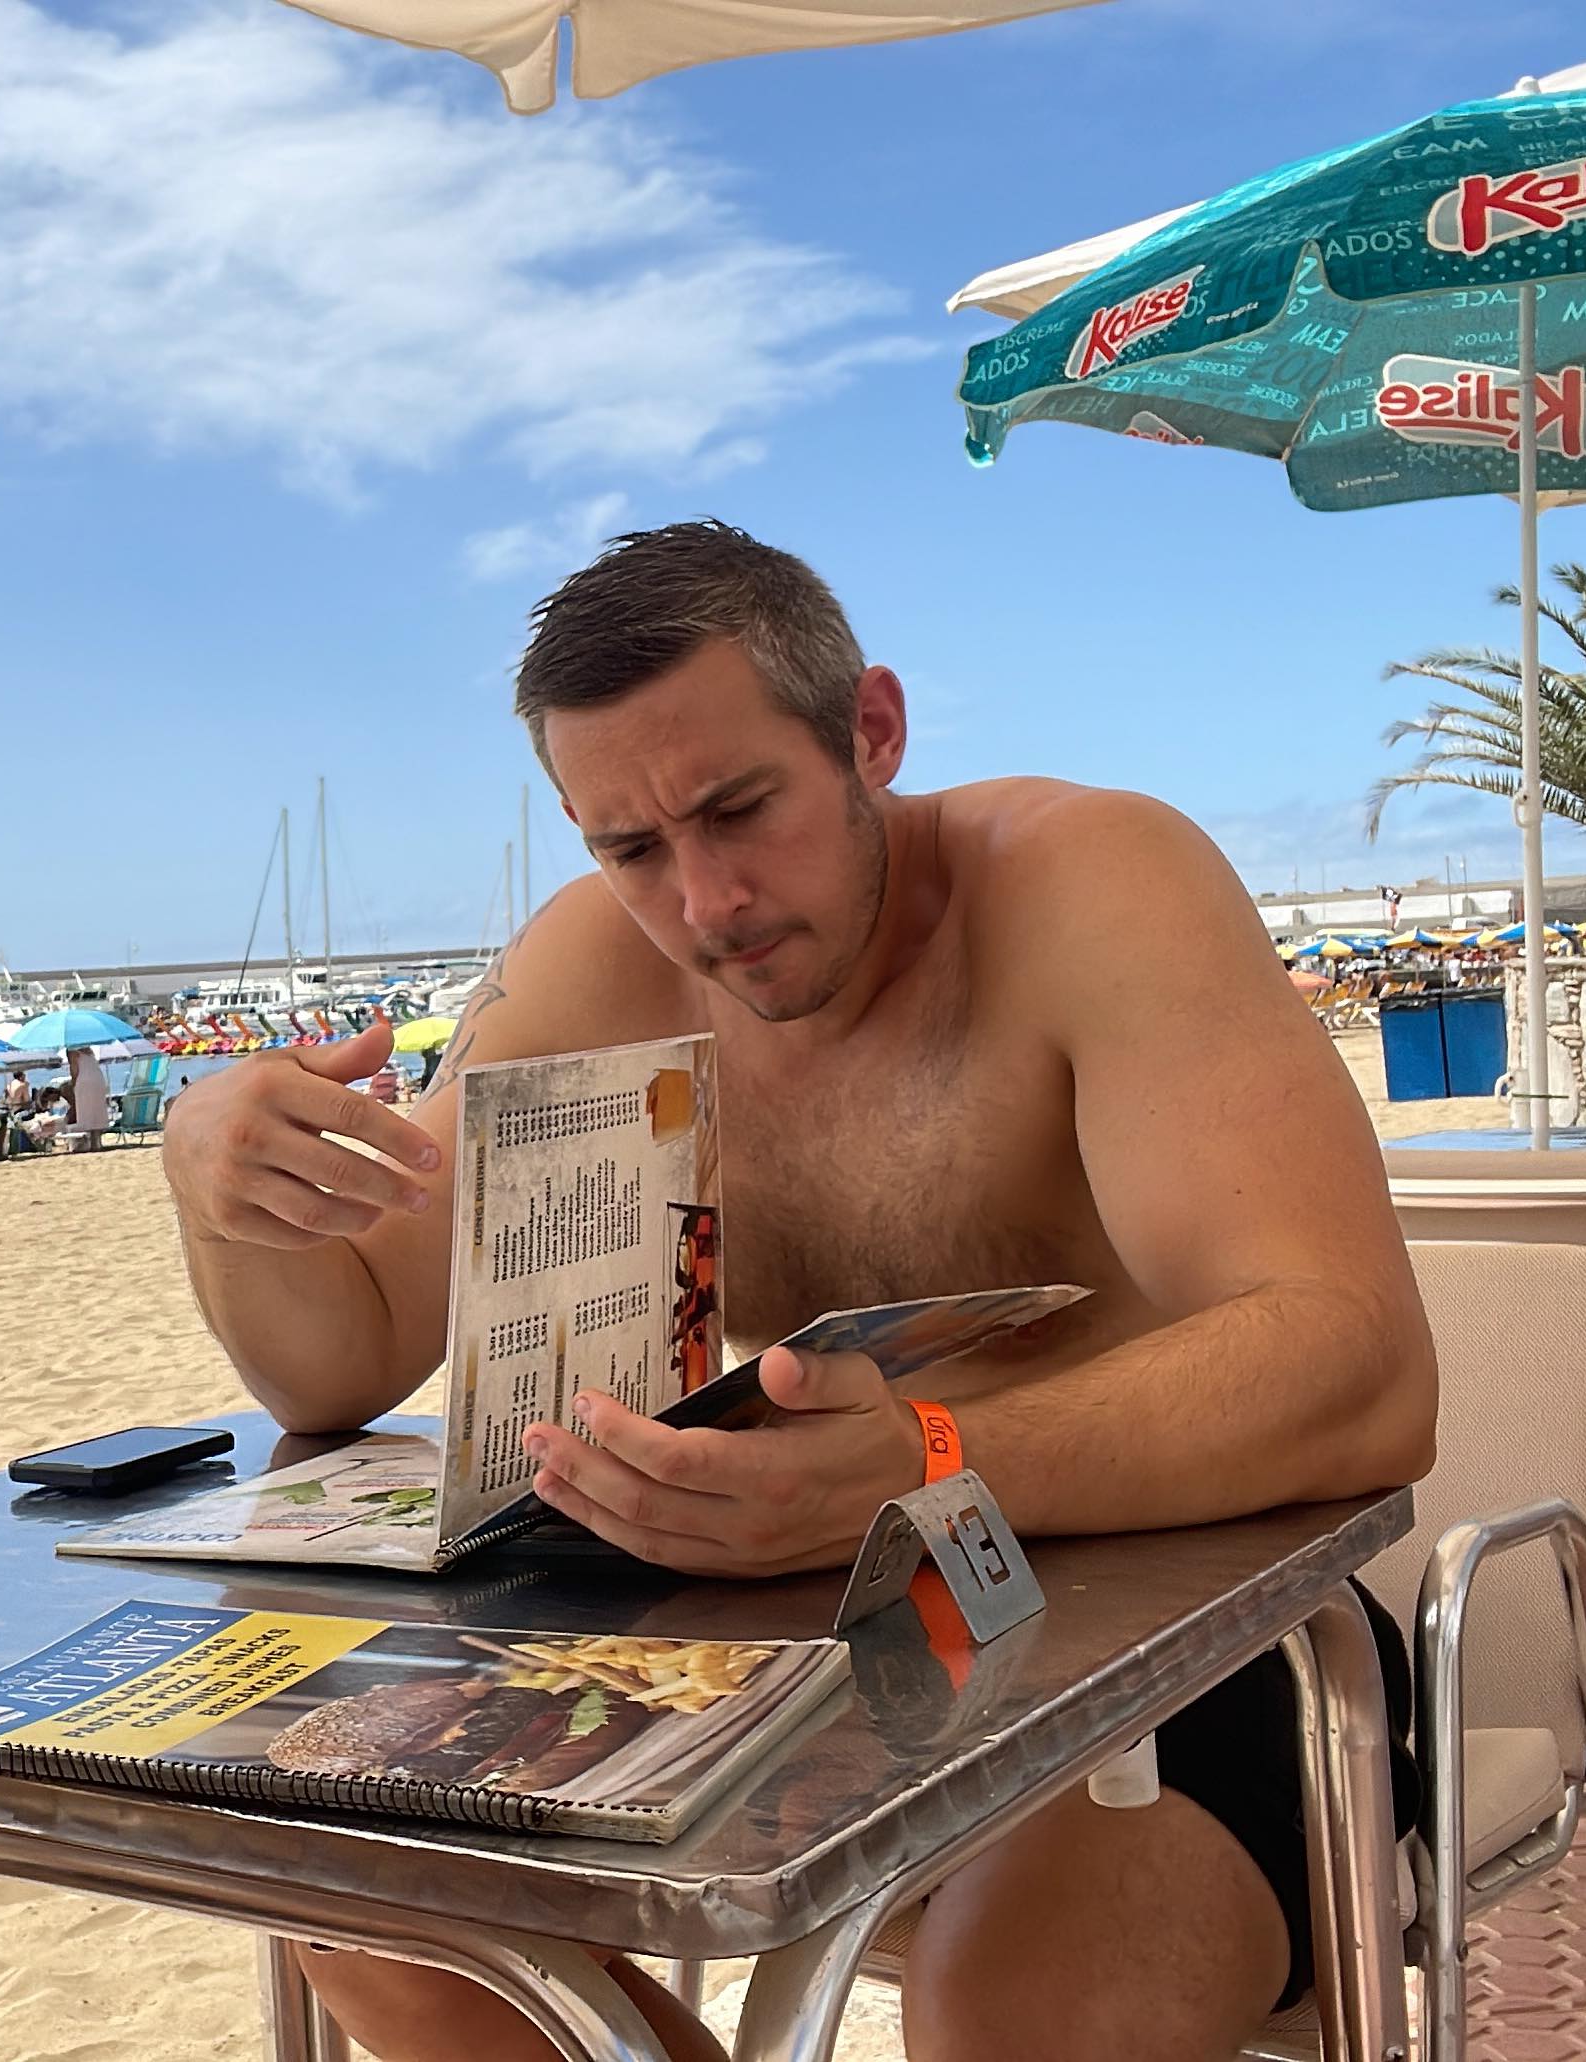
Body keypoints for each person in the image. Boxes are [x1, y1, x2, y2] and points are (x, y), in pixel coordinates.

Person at [159, 522, 1434, 2062]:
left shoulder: (1094, 886)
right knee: (363, 1888)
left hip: (1205, 1643)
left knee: (1000, 2011)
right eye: (632, 848)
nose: (706, 900)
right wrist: (223, 1190)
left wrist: (934, 1461)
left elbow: (1366, 1363)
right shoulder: (593, 967)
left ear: (870, 730)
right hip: (824, 1651)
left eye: (738, 809)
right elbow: (340, 1357)